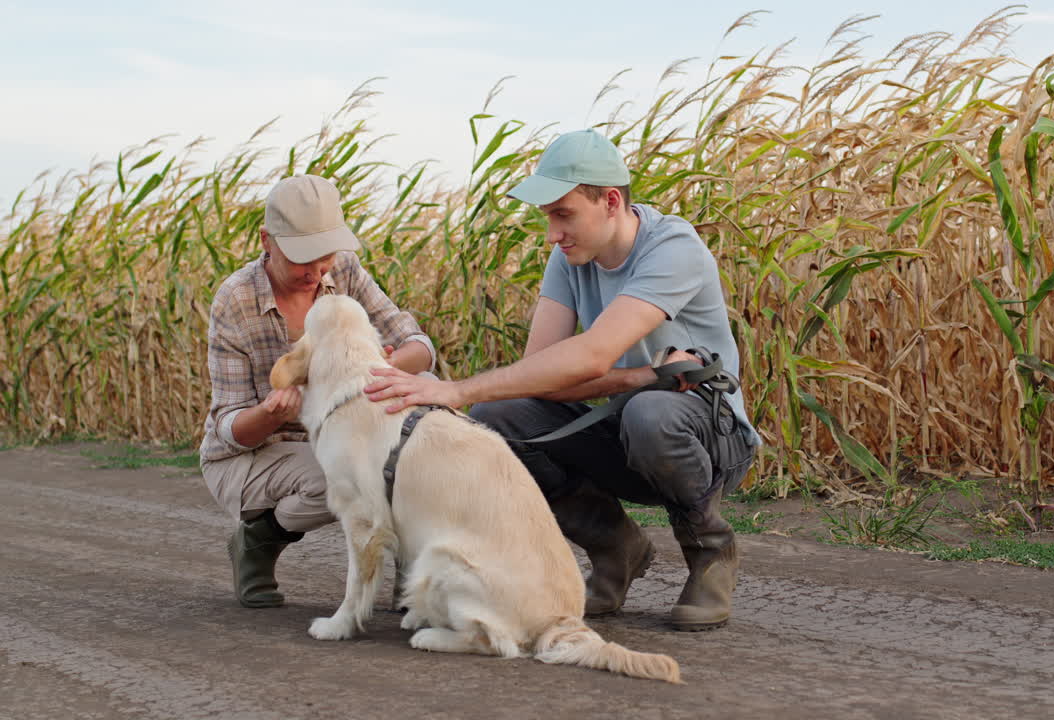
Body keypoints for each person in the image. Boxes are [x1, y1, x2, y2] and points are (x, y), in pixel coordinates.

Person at [364, 129, 760, 630]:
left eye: (562, 214)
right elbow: (541, 375)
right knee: (499, 418)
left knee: (651, 411)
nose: (552, 233)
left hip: (710, 440)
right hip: (628, 426)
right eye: (548, 217)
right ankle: (616, 548)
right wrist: (642, 374)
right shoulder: (569, 258)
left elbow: (592, 354)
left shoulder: (673, 247)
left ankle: (710, 553)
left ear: (611, 201)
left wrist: (455, 390)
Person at [200, 174, 436, 608]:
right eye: (301, 258)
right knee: (345, 471)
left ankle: (413, 567)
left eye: (324, 256)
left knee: (428, 405)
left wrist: (380, 367)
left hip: (334, 431)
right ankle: (257, 542)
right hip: (259, 451)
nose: (316, 271)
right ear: (267, 241)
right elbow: (230, 428)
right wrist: (271, 412)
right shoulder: (234, 300)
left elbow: (419, 347)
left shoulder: (343, 268)